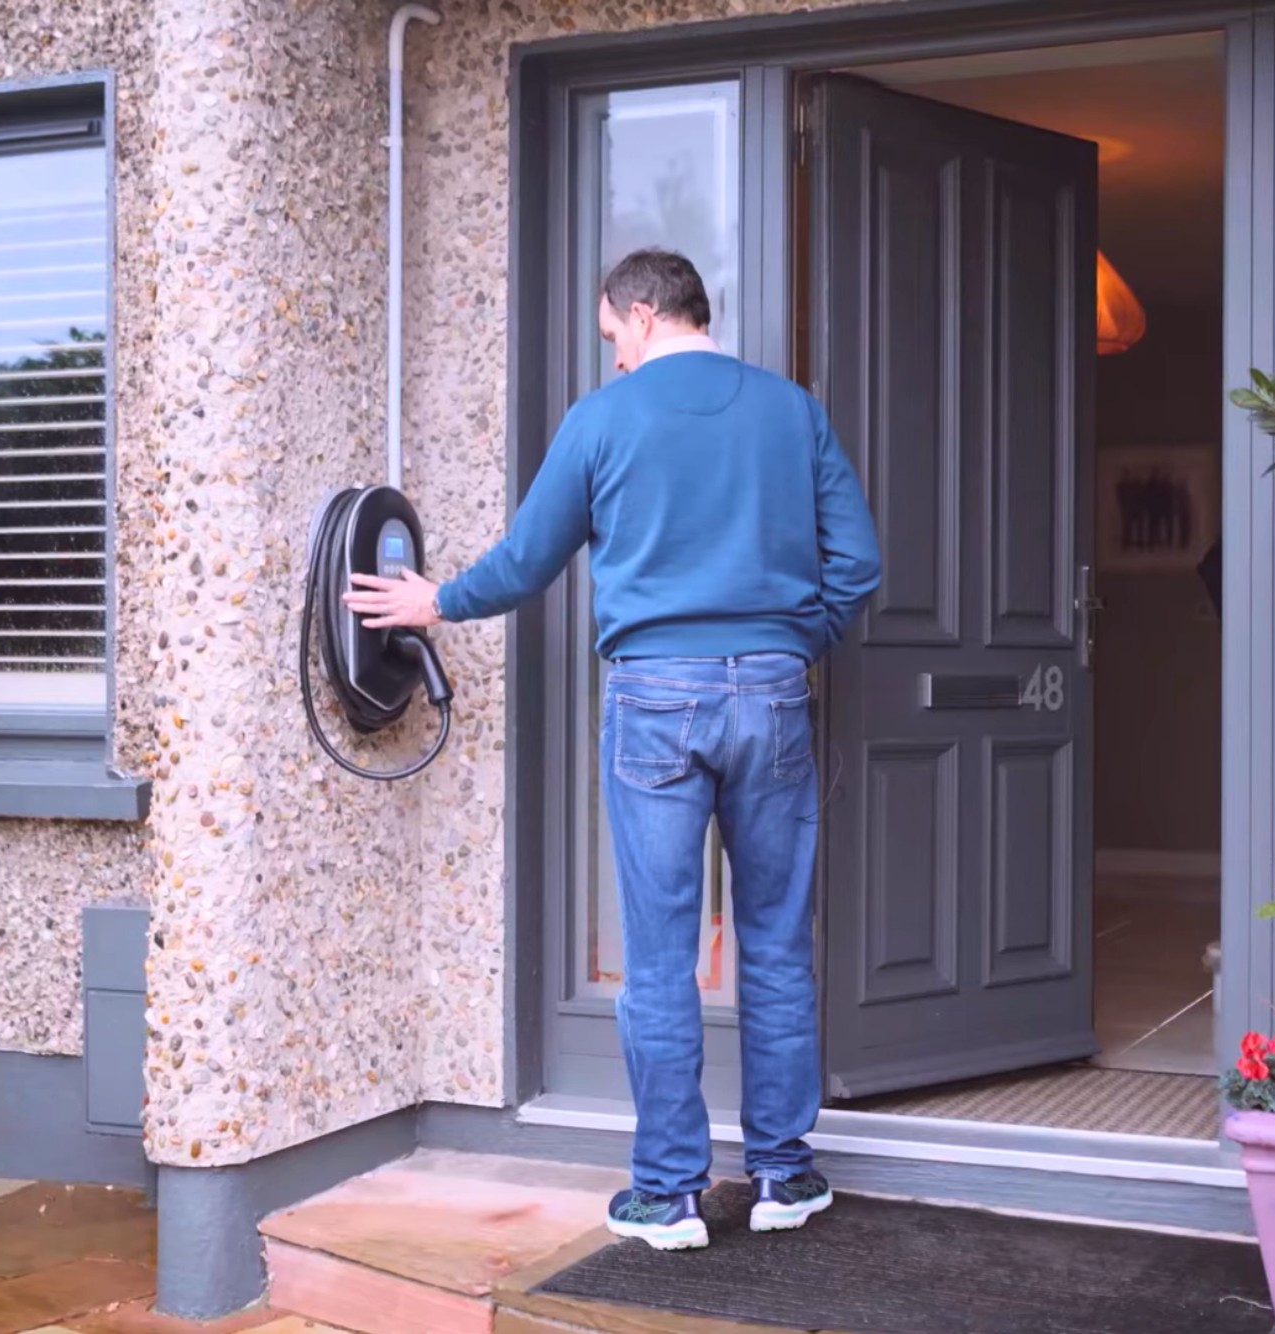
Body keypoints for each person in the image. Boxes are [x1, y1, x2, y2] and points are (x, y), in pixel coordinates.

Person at [343, 249, 881, 1251]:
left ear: (642, 314)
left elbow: (526, 559)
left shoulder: (604, 419)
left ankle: (669, 1193)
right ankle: (781, 1173)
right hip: (771, 690)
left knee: (661, 952)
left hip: (654, 700)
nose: (615, 360)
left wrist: (434, 600)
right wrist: (790, 640)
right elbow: (859, 563)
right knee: (773, 936)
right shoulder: (791, 410)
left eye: (611, 339)